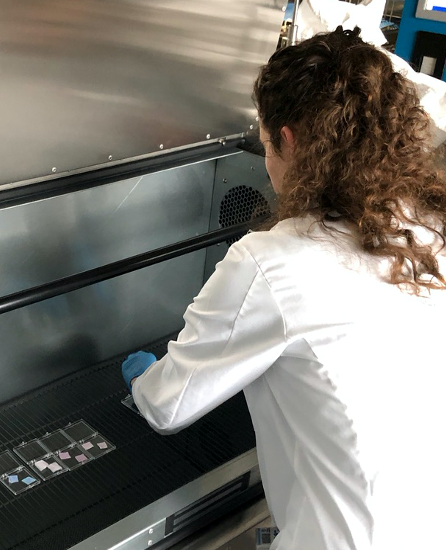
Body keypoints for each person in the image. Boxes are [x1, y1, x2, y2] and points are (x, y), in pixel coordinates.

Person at [122, 27, 446, 550]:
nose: (266, 159)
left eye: (266, 143)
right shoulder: (429, 227)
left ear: (288, 140)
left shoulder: (272, 262)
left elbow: (168, 406)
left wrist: (143, 380)